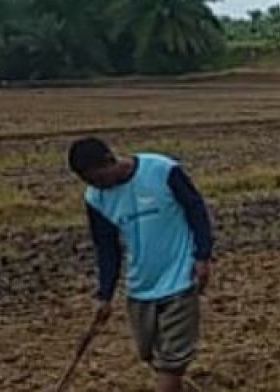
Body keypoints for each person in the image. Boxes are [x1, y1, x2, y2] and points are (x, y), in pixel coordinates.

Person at [68, 137, 214, 392]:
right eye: (90, 182)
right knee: (150, 354)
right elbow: (107, 248)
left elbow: (196, 209)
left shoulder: (162, 170)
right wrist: (105, 295)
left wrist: (202, 255)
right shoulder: (96, 198)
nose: (98, 187)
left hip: (180, 276)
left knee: (171, 362)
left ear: (109, 160)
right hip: (141, 286)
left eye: (99, 179)